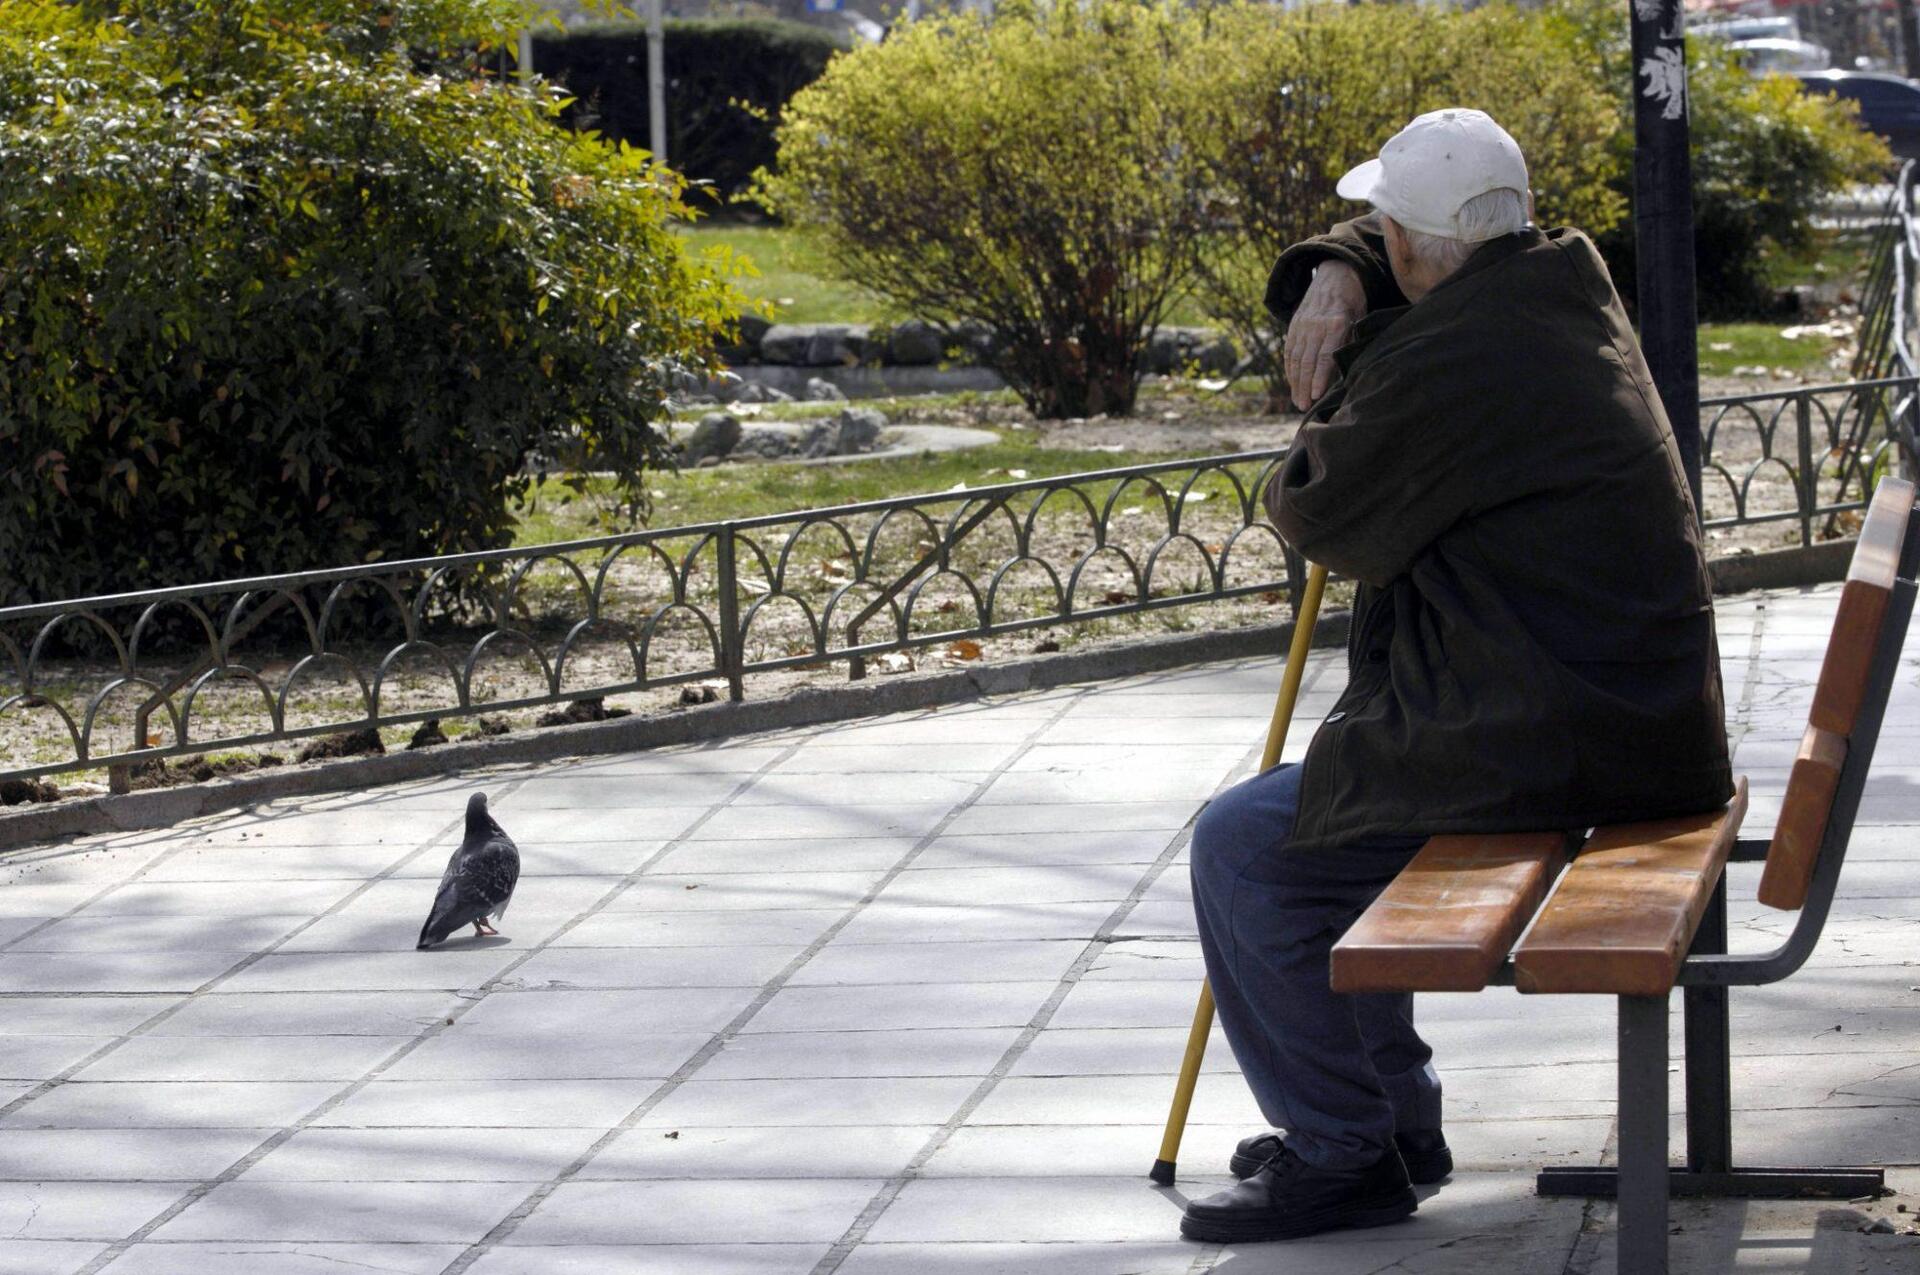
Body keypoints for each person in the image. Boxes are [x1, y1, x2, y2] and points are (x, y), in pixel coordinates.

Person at [1179, 108, 1733, 1245]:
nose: (1377, 245)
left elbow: (1321, 510)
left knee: (1246, 850)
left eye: (1380, 233)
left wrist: (1339, 373)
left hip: (1559, 734)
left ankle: (1344, 1150)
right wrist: (1339, 271)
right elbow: (1424, 244)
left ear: (1413, 246)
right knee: (1322, 818)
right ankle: (1389, 1122)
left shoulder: (1466, 358)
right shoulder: (1550, 281)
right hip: (1610, 711)